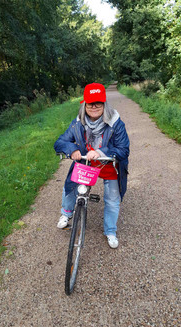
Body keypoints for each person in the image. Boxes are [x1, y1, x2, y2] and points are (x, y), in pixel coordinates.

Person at [54, 83, 129, 248]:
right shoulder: (77, 123)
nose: (94, 107)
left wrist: (102, 152)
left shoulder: (116, 123)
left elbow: (124, 149)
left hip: (109, 164)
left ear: (104, 104)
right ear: (84, 104)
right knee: (71, 186)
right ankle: (66, 214)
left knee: (112, 199)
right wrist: (72, 149)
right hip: (86, 162)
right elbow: (60, 142)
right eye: (90, 103)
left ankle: (110, 231)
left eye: (98, 103)